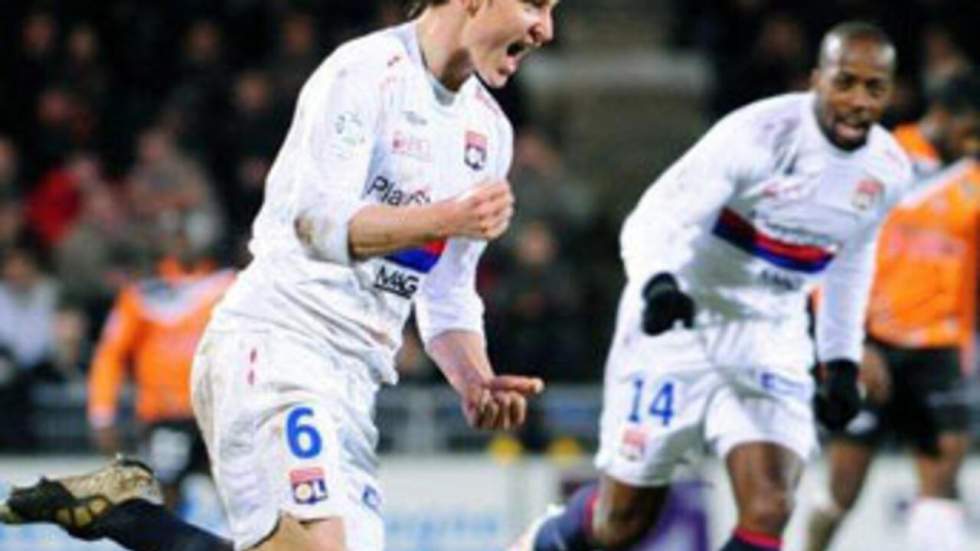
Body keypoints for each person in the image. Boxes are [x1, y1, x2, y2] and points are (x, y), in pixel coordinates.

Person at [0, 1, 558, 551]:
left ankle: (128, 515)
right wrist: (441, 219)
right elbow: (317, 223)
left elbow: (448, 293)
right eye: (535, 4)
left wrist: (474, 378)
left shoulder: (488, 132)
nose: (546, 29)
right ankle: (130, 517)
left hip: (356, 384)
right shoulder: (365, 73)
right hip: (278, 346)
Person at [510, 21, 911, 551]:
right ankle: (542, 540)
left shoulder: (888, 170)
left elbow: (852, 260)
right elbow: (656, 216)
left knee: (771, 504)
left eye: (873, 88)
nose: (858, 100)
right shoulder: (757, 137)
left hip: (770, 332)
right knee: (621, 523)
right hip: (684, 320)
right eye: (845, 82)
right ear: (817, 79)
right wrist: (658, 285)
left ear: (890, 92)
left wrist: (839, 360)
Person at [805, 71, 980, 551]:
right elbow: (826, 250)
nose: (975, 144)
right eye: (970, 131)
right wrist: (849, 344)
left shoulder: (973, 178)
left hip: (939, 347)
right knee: (843, 489)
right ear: (942, 115)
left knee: (941, 484)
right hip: (871, 344)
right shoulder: (880, 158)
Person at [87, 223, 235, 510]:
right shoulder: (143, 295)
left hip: (220, 411)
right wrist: (102, 413)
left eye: (187, 234)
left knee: (237, 494)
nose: (182, 243)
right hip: (166, 414)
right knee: (165, 497)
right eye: (175, 236)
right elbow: (110, 355)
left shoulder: (229, 286)